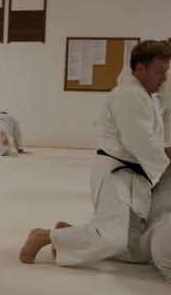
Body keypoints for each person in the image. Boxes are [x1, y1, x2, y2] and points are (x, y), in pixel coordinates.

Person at [19, 40, 171, 266]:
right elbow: (141, 143)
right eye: (160, 72)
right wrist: (167, 164)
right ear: (141, 68)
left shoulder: (146, 96)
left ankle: (72, 235)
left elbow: (156, 142)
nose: (164, 78)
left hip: (137, 177)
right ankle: (44, 235)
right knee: (113, 239)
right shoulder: (128, 95)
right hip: (116, 175)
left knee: (137, 250)